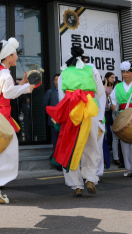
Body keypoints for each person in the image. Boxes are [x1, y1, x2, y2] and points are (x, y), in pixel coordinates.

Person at [46, 47, 105, 196]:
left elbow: (61, 97)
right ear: (84, 59)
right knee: (91, 143)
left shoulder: (63, 73)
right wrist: (89, 99)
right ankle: (91, 178)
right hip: (89, 109)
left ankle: (76, 185)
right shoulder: (92, 70)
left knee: (70, 145)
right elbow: (100, 92)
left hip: (71, 111)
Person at [0, 38, 36, 204]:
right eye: (15, 54)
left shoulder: (0, 70)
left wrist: (22, 84)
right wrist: (28, 88)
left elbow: (6, 90)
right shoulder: (4, 72)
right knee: (7, 152)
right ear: (7, 56)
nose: (17, 57)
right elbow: (8, 93)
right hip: (1, 116)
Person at [42, 73, 61, 169]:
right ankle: (57, 163)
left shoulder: (65, 92)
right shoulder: (50, 92)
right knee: (56, 142)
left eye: (58, 79)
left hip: (63, 121)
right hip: (53, 122)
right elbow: (45, 106)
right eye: (55, 80)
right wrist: (52, 116)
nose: (57, 81)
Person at [103, 72, 120, 167]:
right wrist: (105, 83)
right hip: (105, 110)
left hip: (113, 112)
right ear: (107, 78)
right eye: (111, 77)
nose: (113, 79)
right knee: (106, 131)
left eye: (114, 77)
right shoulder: (104, 86)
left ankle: (116, 156)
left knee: (113, 133)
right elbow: (104, 92)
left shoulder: (114, 88)